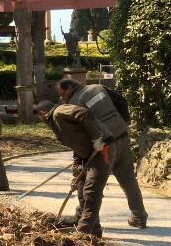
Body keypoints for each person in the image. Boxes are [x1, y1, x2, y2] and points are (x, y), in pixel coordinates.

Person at [56, 79, 148, 228]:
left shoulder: (75, 102)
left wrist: (88, 151)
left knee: (93, 183)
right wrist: (123, 124)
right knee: (128, 179)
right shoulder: (99, 87)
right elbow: (121, 102)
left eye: (63, 94)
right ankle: (139, 216)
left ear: (70, 87)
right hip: (122, 135)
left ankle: (84, 219)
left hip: (105, 143)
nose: (62, 98)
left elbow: (83, 129)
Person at [36, 100, 115, 238]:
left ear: (42, 113)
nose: (41, 120)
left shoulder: (59, 112)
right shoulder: (56, 123)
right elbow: (76, 146)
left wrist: (99, 138)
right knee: (80, 188)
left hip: (102, 150)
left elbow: (84, 112)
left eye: (39, 117)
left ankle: (82, 233)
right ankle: (95, 231)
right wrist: (76, 173)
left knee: (91, 192)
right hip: (88, 155)